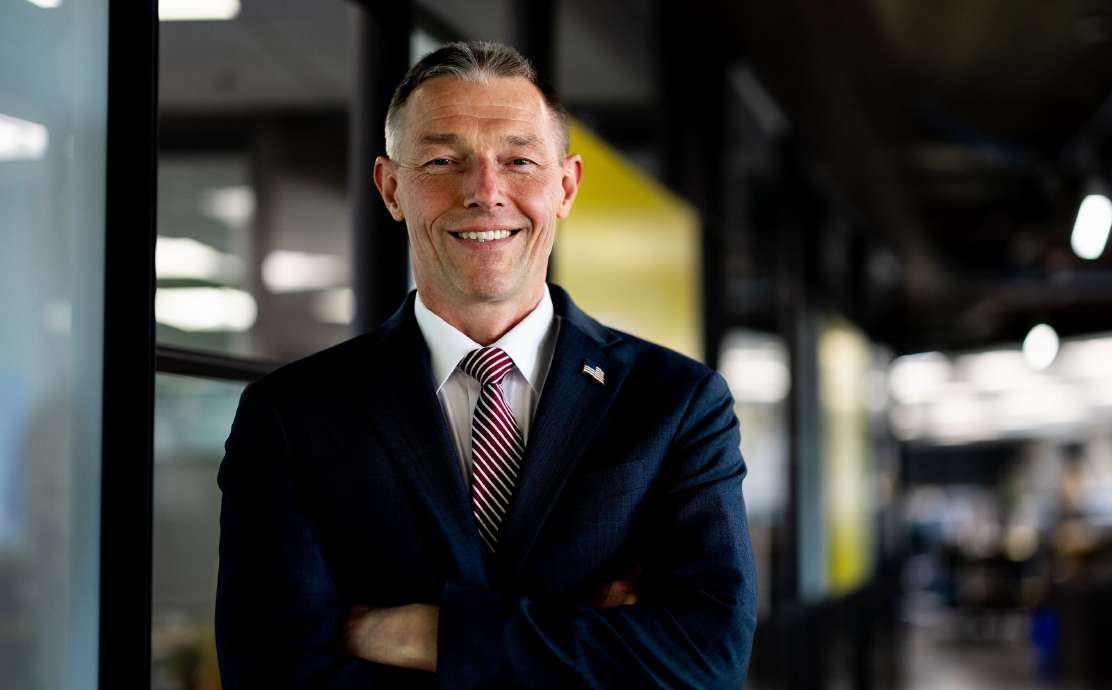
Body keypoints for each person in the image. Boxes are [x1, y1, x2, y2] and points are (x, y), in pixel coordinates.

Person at [215, 40, 756, 689]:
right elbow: (271, 668)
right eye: (443, 160)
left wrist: (420, 634)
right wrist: (589, 645)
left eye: (519, 161)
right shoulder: (293, 413)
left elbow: (707, 659)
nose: (484, 191)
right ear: (391, 188)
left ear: (566, 186)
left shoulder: (676, 403)